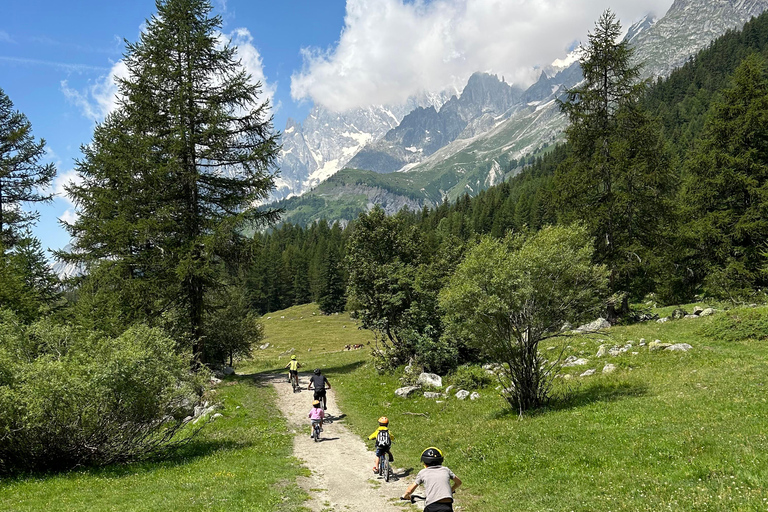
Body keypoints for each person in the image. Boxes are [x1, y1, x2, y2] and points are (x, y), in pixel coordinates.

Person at [402, 447, 462, 512]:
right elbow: (459, 482)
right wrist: (451, 490)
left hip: (432, 507)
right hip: (447, 507)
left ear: (424, 463)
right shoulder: (446, 470)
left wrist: (405, 496)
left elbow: (409, 490)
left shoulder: (423, 472)